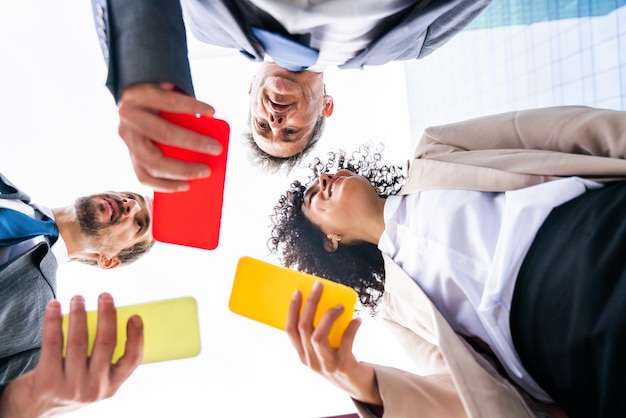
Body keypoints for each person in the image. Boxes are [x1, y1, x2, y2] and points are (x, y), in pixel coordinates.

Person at [269, 106, 626, 418]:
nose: (324, 179)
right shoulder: (399, 312)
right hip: (555, 343)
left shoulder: (435, 153)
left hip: (584, 228)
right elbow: (457, 392)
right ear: (330, 242)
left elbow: (558, 129)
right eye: (313, 197)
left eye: (323, 176)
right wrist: (363, 382)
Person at [90, 0, 491, 190]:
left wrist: (138, 68)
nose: (276, 122)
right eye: (289, 132)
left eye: (262, 125)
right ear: (326, 108)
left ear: (250, 92)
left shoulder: (204, 23)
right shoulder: (416, 43)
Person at [0, 171, 154, 415]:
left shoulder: (37, 329)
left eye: (139, 224)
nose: (131, 204)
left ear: (109, 261)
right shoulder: (6, 188)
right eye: (129, 196)